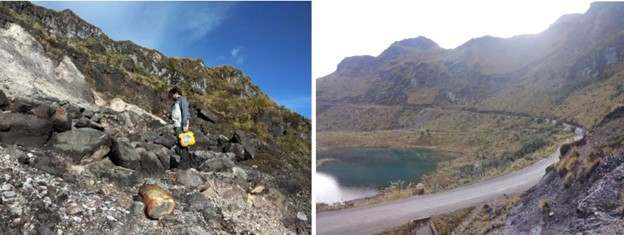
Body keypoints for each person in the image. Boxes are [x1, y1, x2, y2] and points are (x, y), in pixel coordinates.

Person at [168, 86, 191, 169]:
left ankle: (184, 164)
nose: (171, 97)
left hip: (181, 126)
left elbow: (186, 113)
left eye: (172, 94)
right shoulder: (177, 102)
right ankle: (184, 163)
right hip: (177, 125)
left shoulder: (182, 100)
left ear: (176, 93)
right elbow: (177, 114)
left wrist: (184, 125)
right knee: (181, 143)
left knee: (183, 144)